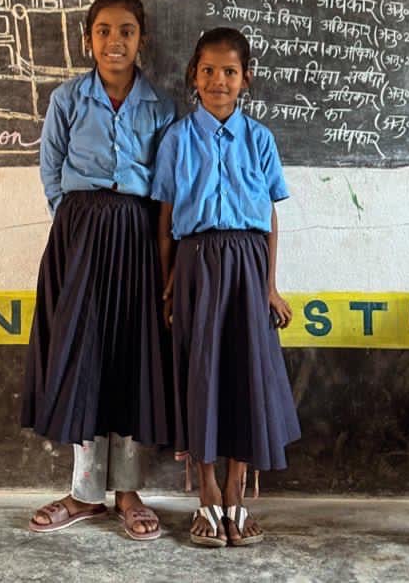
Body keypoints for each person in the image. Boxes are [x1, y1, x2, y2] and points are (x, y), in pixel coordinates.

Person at [21, 0, 176, 540]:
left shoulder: (160, 107)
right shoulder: (67, 98)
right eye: (104, 31)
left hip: (137, 235)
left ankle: (129, 492)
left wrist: (151, 241)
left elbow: (166, 182)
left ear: (142, 40)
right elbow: (51, 170)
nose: (115, 41)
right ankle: (85, 493)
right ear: (87, 39)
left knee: (130, 359)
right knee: (81, 356)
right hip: (80, 235)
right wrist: (76, 224)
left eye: (127, 31)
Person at [152, 27, 300, 547]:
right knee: (202, 378)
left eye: (230, 72)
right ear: (193, 75)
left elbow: (269, 219)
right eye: (209, 70)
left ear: (246, 79)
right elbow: (166, 219)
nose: (219, 80)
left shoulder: (259, 140)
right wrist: (169, 281)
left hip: (247, 266)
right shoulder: (177, 139)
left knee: (243, 375)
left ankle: (238, 491)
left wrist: (270, 287)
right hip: (196, 264)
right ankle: (207, 493)